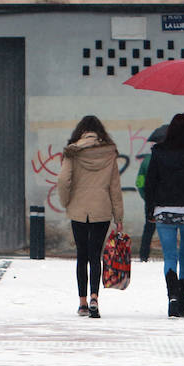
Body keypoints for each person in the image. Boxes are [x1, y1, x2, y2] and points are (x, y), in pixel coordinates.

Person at [56, 114, 122, 318]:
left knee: (81, 255)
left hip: (78, 208)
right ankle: (95, 296)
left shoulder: (72, 152)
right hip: (101, 208)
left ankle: (82, 302)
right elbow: (115, 187)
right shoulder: (109, 152)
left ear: (81, 131)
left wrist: (66, 201)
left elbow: (63, 180)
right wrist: (118, 217)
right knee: (96, 254)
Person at [144, 113, 184, 318]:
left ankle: (172, 298)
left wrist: (150, 210)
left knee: (170, 256)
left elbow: (150, 182)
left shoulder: (158, 152)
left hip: (164, 209)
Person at [134, 154, 156, 262]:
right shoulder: (174, 157)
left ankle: (144, 254)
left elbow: (139, 182)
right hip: (169, 201)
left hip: (151, 200)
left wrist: (146, 197)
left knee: (149, 228)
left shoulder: (147, 160)